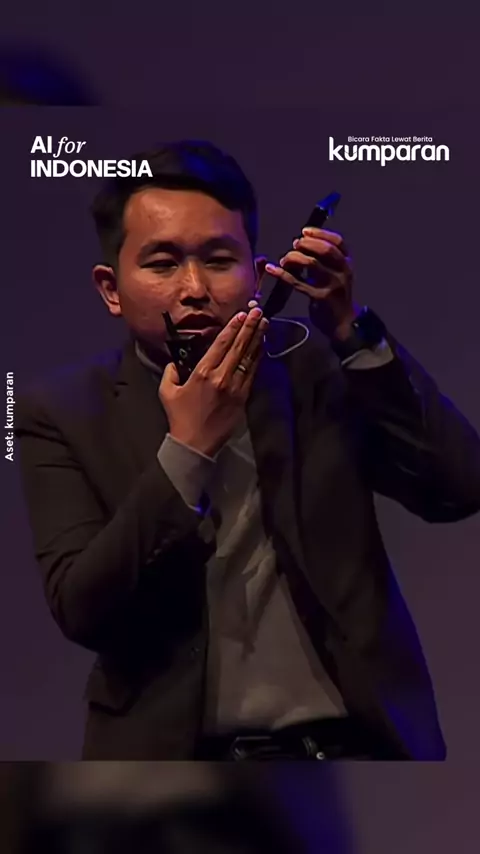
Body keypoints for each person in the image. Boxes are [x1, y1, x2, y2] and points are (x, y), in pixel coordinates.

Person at [15, 140, 480, 761]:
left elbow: (459, 488)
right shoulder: (55, 410)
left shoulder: (315, 368)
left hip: (357, 747)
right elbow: (82, 611)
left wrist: (351, 330)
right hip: (172, 769)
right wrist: (186, 450)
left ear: (258, 275)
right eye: (162, 263)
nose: (194, 288)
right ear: (111, 288)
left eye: (218, 259)